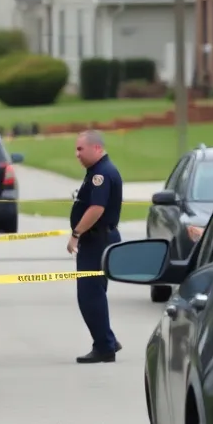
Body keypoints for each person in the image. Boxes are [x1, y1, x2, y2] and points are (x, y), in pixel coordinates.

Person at [68, 129, 124, 363]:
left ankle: (104, 347)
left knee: (90, 295)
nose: (76, 154)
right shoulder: (97, 171)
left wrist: (76, 233)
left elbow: (96, 209)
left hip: (97, 240)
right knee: (94, 294)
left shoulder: (101, 174)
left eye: (81, 149)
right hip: (98, 239)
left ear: (97, 148)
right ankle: (107, 339)